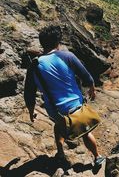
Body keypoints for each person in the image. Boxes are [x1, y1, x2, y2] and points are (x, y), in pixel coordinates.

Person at [24, 25, 105, 166]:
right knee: (85, 132)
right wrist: (92, 89)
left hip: (56, 111)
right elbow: (87, 77)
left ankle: (60, 153)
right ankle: (97, 157)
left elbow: (29, 94)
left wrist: (31, 112)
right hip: (76, 106)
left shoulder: (34, 66)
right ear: (58, 42)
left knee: (58, 125)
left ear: (42, 43)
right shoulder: (67, 56)